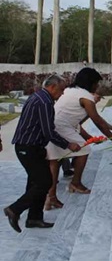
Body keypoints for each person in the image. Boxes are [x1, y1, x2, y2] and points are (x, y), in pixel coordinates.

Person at [3, 74, 81, 233]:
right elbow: (49, 132)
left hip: (32, 146)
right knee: (45, 182)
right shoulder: (45, 102)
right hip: (28, 147)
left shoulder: (37, 96)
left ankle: (34, 218)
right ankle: (14, 210)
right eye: (60, 90)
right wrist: (68, 145)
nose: (62, 94)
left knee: (35, 182)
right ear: (52, 87)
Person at [45, 68, 112, 209]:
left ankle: (51, 197)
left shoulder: (69, 90)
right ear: (90, 83)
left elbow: (80, 122)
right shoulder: (86, 98)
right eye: (96, 83)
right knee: (84, 148)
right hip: (61, 127)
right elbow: (97, 121)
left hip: (52, 126)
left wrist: (107, 131)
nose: (97, 87)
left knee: (54, 160)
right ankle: (75, 183)